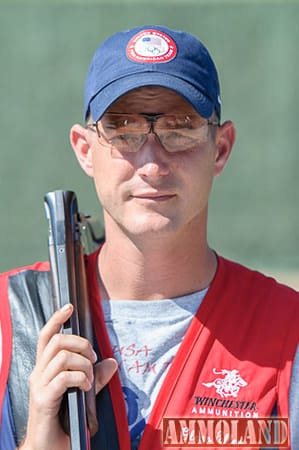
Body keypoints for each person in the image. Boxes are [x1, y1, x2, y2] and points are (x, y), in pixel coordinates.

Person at [0, 24, 298, 450]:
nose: (153, 162)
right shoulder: (9, 319)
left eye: (180, 127)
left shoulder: (288, 328)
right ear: (85, 150)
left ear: (221, 148)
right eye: (123, 128)